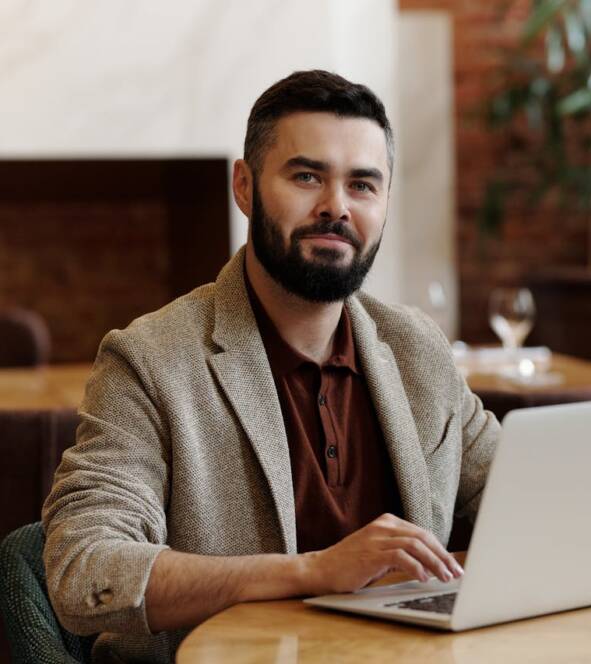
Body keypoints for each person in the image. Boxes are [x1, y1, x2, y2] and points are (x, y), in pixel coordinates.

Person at [42, 70, 499, 663]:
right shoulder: (150, 360)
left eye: (363, 185)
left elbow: (526, 496)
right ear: (245, 186)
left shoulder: (418, 348)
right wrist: (311, 571)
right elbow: (83, 571)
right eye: (307, 176)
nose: (336, 207)